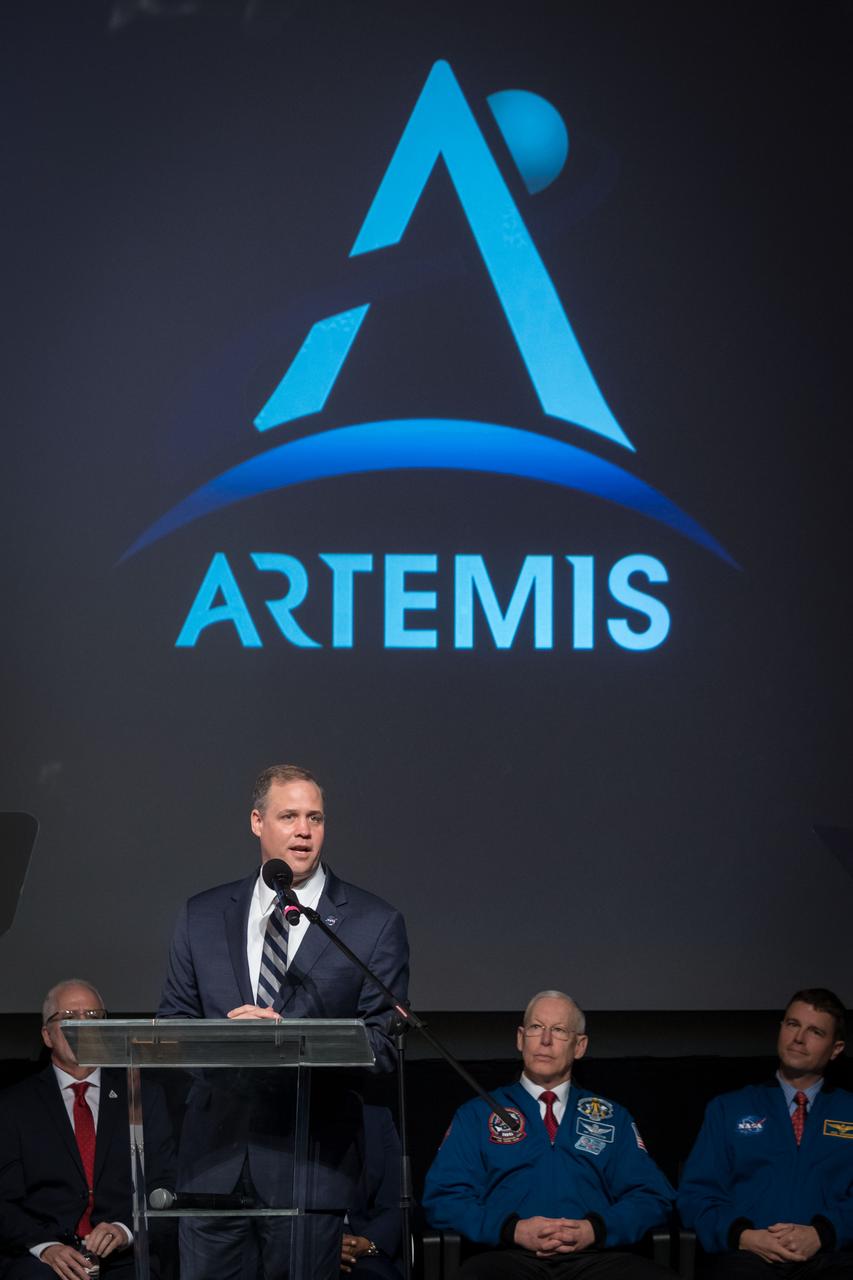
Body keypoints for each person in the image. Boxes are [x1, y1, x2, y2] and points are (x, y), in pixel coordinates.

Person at [157, 763, 409, 1280]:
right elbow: (172, 1026)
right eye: (289, 815)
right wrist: (232, 1044)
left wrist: (289, 1038)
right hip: (213, 1163)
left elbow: (383, 1044)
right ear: (257, 821)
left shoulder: (371, 922)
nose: (304, 830)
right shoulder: (202, 914)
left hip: (307, 1167)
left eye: (315, 817)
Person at [422, 990, 676, 1278]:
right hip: (507, 1258)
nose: (545, 1040)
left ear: (579, 1046)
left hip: (594, 1259)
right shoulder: (476, 1114)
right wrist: (512, 1229)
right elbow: (443, 1199)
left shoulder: (613, 1116)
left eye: (558, 1030)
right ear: (520, 1038)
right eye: (535, 1028)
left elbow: (652, 1197)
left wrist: (595, 1229)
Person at [0, 979, 173, 1280]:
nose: (82, 1026)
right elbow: (4, 1200)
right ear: (47, 1036)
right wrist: (45, 1247)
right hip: (43, 1261)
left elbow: (166, 1186)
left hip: (125, 1260)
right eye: (69, 1017)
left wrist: (124, 1230)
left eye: (93, 1017)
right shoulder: (13, 1105)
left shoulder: (144, 1097)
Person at [677, 987, 853, 1278]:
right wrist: (745, 1237)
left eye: (815, 1032)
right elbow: (695, 1196)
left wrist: (823, 1233)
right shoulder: (729, 1108)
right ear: (781, 1028)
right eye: (793, 1024)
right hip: (748, 1258)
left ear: (835, 1049)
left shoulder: (848, 1110)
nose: (798, 1038)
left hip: (832, 1256)